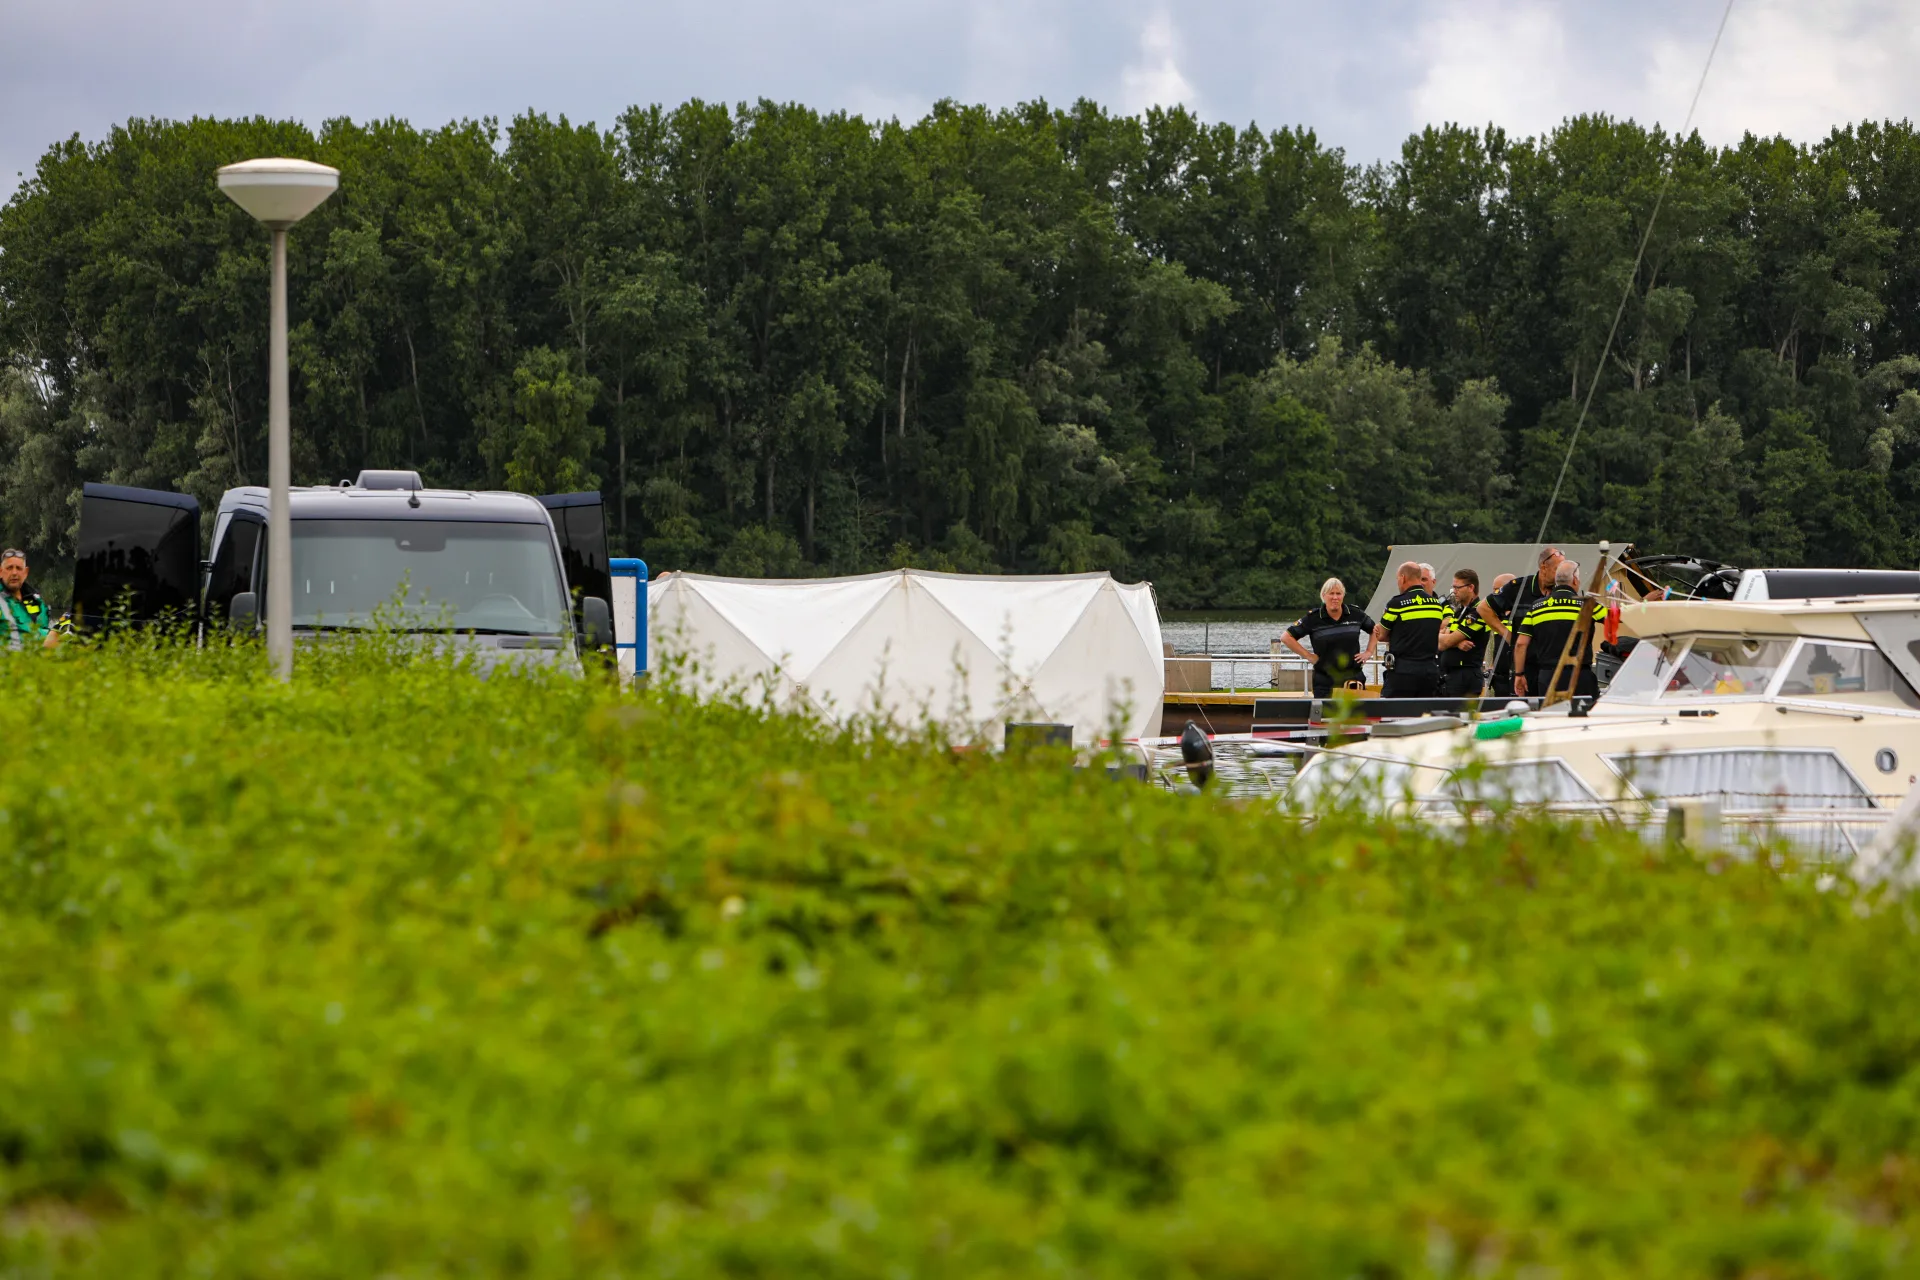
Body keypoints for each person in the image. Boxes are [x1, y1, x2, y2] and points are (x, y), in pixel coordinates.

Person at [1512, 560, 1605, 699]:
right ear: (1574, 580)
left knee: (1551, 718)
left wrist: (1519, 674)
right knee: (1582, 718)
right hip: (1580, 676)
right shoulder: (1588, 605)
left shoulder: (1537, 607)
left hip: (1548, 677)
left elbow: (1521, 644)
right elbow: (1617, 618)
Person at [1481, 548, 1563, 698]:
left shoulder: (1563, 591)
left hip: (1554, 668)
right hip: (1525, 669)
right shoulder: (1518, 588)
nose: (1562, 574)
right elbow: (1484, 608)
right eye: (1558, 569)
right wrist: (1508, 635)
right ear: (1544, 567)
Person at [1282, 577, 1378, 698]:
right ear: (1323, 595)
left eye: (1338, 593)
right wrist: (1309, 656)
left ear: (1343, 595)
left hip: (1353, 679)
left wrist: (1369, 652)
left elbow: (1376, 631)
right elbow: (1286, 637)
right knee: (1325, 717)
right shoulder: (1314, 618)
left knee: (1354, 717)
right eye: (1331, 593)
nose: (1335, 597)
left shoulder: (1355, 614)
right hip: (1325, 682)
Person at [1373, 560, 1447, 698]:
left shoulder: (1396, 603)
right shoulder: (1436, 605)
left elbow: (1382, 635)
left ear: (1403, 578)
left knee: (1393, 714)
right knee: (1424, 715)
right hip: (1429, 671)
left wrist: (1394, 633)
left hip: (1403, 672)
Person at [1439, 568, 1491, 697]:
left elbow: (1445, 642)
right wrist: (1456, 643)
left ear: (1470, 587)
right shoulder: (1459, 611)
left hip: (1466, 675)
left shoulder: (1477, 612)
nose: (1454, 592)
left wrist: (1449, 639)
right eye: (1453, 587)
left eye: (1457, 588)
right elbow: (1439, 642)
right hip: (1451, 675)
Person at [0, 549, 56, 651]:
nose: (14, 573)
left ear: (25, 573)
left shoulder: (37, 601)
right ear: (0, 572)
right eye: (9, 568)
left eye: (19, 568)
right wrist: (52, 636)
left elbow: (43, 627)